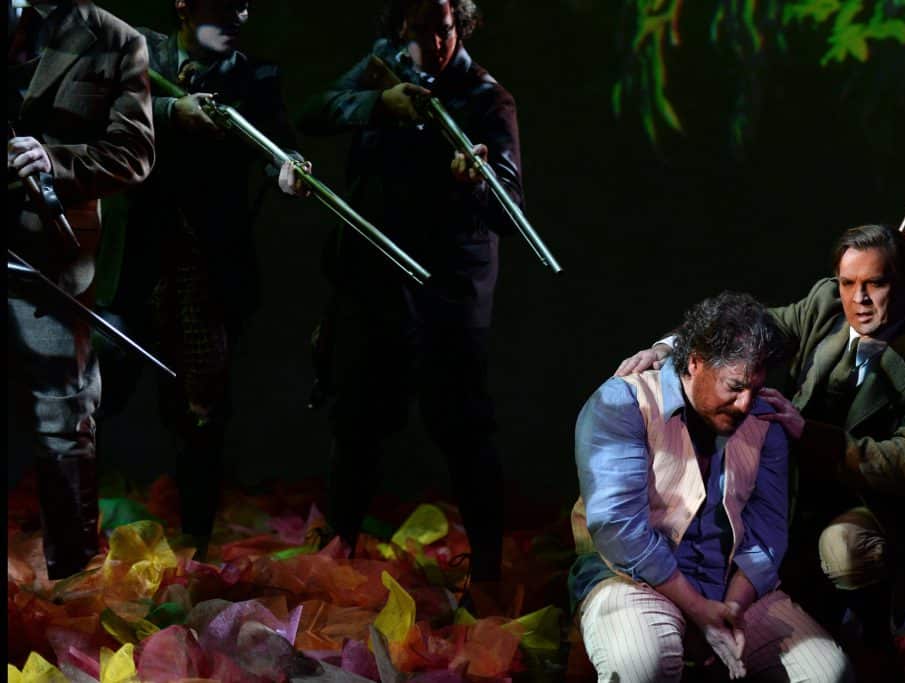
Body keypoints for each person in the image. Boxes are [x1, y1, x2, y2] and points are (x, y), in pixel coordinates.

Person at [616, 224, 905, 657]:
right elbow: (746, 329)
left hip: (867, 504)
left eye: (875, 284)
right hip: (794, 490)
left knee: (842, 549)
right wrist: (670, 348)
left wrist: (807, 432)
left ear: (904, 283)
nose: (858, 299)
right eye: (848, 283)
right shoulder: (825, 303)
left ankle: (872, 633)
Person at [297, 0, 522, 594]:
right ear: (400, 27)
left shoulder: (487, 99)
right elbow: (314, 111)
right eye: (421, 30)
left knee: (464, 426)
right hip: (374, 279)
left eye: (444, 30)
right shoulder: (385, 65)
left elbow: (510, 212)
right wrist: (379, 104)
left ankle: (488, 570)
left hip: (449, 290)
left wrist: (477, 182)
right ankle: (339, 546)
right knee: (357, 418)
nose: (434, 43)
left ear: (460, 24)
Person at [96, 0, 309, 557]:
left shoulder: (256, 78)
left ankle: (196, 543)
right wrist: (172, 111)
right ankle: (74, 527)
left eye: (245, 3)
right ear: (185, 5)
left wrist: (288, 168)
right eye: (223, 3)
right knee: (97, 390)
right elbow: (101, 106)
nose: (240, 14)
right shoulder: (139, 50)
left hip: (208, 272)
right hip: (136, 264)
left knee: (200, 411)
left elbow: (279, 145)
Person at [572, 291, 852, 681]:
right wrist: (697, 608)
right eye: (734, 387)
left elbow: (768, 531)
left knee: (829, 673)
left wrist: (731, 607)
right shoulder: (624, 402)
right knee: (642, 664)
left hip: (731, 587)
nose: (745, 403)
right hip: (634, 579)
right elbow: (618, 526)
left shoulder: (764, 419)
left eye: (755, 388)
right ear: (694, 362)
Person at [7, 0, 156, 579]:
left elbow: (133, 154)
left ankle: (72, 579)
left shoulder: (117, 40)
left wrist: (55, 161)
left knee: (64, 421)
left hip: (50, 255)